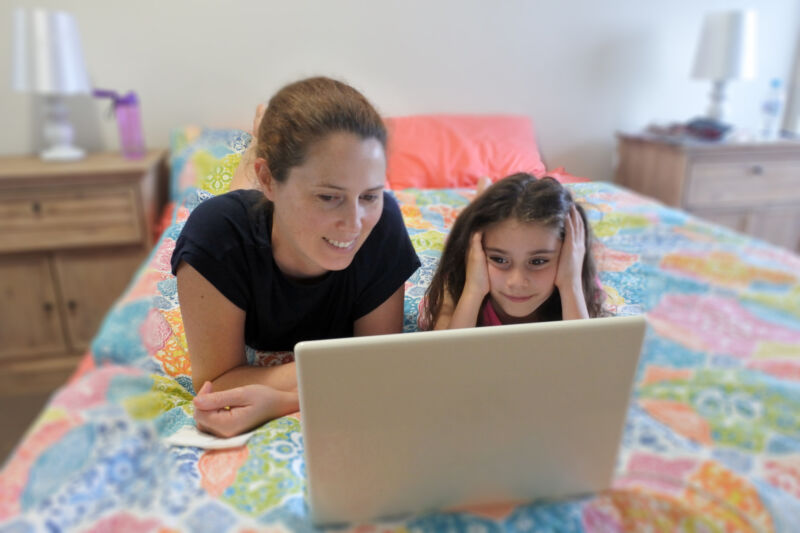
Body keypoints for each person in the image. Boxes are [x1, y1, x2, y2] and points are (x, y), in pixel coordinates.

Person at [171, 77, 421, 437]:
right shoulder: (216, 235)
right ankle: (257, 143)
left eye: (369, 195)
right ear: (269, 179)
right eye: (328, 197)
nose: (354, 224)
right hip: (249, 209)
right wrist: (350, 366)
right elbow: (217, 383)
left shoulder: (382, 226)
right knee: (242, 201)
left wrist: (282, 402)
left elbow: (374, 362)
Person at [420, 173, 606, 330]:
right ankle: (482, 192)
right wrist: (473, 291)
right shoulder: (459, 278)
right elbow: (448, 358)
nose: (516, 282)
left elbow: (585, 357)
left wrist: (571, 286)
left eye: (538, 261)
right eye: (499, 259)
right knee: (470, 226)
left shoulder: (577, 281)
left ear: (567, 254)